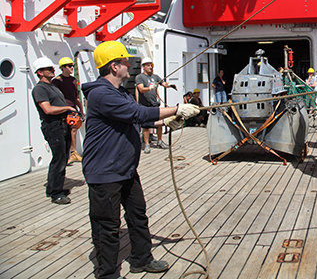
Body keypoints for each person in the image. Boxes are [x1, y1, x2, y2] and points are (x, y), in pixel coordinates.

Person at [81, 41, 200, 279]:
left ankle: (141, 259)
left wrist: (163, 122)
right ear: (114, 67)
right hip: (104, 172)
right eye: (126, 62)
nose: (130, 66)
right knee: (107, 226)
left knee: (137, 215)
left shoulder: (120, 92)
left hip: (125, 168)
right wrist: (177, 108)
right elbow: (137, 113)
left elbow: (134, 119)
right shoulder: (100, 94)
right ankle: (107, 274)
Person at [31, 56, 77, 205]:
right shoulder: (39, 89)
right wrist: (68, 108)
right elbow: (47, 109)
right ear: (40, 73)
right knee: (58, 159)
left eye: (52, 68)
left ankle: (53, 188)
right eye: (48, 69)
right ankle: (56, 194)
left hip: (62, 124)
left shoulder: (53, 86)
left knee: (62, 158)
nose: (52, 70)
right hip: (53, 126)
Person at [136, 57, 177, 153]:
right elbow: (141, 89)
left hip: (154, 104)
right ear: (143, 67)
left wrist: (170, 85)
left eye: (151, 65)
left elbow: (163, 83)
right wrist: (150, 88)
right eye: (148, 65)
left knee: (160, 123)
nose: (151, 67)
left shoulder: (155, 77)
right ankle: (146, 144)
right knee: (145, 125)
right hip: (145, 105)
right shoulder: (140, 77)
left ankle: (159, 141)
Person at [52, 56, 85, 164]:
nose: (72, 68)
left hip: (73, 109)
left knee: (74, 129)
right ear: (63, 67)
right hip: (63, 109)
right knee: (65, 131)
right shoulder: (57, 81)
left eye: (73, 66)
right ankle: (66, 154)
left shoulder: (73, 80)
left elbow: (76, 97)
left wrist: (80, 109)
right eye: (70, 66)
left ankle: (73, 152)